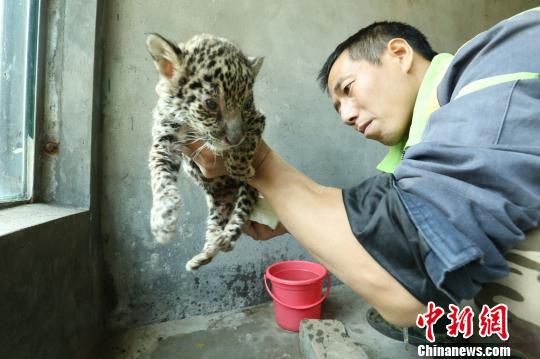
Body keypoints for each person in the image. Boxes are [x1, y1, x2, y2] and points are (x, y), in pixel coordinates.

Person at [180, 7, 540, 330]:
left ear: (399, 54)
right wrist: (287, 215)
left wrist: (254, 160)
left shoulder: (502, 56)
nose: (347, 115)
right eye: (338, 108)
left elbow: (409, 279)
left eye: (348, 89)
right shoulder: (421, 147)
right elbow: (383, 226)